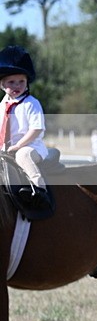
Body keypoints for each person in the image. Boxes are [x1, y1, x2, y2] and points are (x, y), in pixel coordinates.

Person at [0, 45, 50, 208]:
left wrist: (19, 145)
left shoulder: (31, 103)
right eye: (11, 82)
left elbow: (36, 129)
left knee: (23, 156)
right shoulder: (2, 105)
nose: (17, 85)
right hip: (7, 149)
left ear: (27, 82)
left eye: (21, 81)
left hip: (31, 147)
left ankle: (39, 190)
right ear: (2, 84)